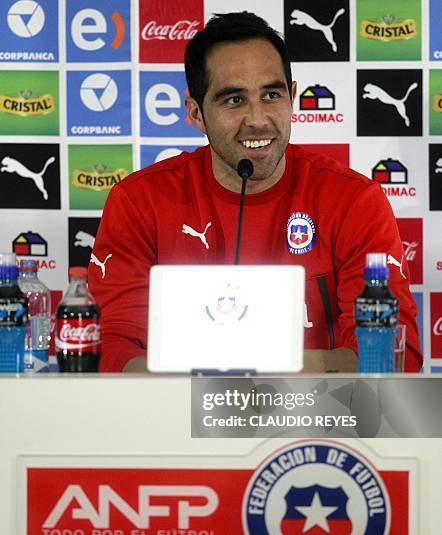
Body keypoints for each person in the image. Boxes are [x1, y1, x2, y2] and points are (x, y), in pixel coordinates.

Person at [89, 11, 422, 373]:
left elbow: (393, 356)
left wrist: (261, 373)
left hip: (321, 420)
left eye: (271, 95)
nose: (258, 119)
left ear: (293, 97)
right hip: (174, 420)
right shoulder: (138, 201)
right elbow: (111, 345)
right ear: (196, 112)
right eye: (234, 100)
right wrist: (203, 394)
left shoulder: (355, 200)